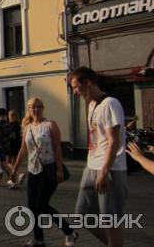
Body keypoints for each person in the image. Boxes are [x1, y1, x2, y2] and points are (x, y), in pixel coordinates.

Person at [69, 66, 127, 247]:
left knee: (111, 221)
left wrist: (104, 171)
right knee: (83, 214)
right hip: (92, 166)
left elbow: (113, 140)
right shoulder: (92, 105)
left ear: (88, 82)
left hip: (109, 169)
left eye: (76, 87)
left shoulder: (110, 103)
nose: (76, 93)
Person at [11, 98, 78, 247]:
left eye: (39, 106)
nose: (36, 109)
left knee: (41, 204)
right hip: (32, 170)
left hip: (49, 169)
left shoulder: (50, 125)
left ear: (43, 108)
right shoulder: (27, 127)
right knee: (32, 206)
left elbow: (58, 149)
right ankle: (38, 239)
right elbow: (23, 149)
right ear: (28, 109)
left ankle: (69, 232)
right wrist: (14, 169)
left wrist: (60, 170)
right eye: (33, 107)